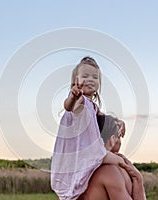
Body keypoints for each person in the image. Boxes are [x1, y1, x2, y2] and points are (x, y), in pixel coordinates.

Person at [51, 57, 126, 200]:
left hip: (87, 150)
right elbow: (68, 106)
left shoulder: (93, 106)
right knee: (119, 162)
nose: (90, 79)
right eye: (85, 76)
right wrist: (73, 96)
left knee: (116, 161)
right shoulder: (79, 100)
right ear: (75, 81)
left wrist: (118, 121)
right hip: (78, 151)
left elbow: (102, 115)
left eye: (95, 77)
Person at [79, 115, 146, 200]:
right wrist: (138, 180)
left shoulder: (77, 170)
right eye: (119, 136)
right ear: (112, 139)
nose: (120, 142)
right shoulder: (109, 171)